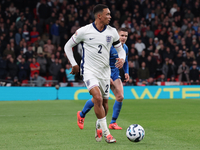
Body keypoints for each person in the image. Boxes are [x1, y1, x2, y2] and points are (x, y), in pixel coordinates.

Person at [64, 4, 126, 143]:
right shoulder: (84, 31)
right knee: (97, 98)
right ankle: (107, 134)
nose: (110, 17)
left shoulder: (112, 32)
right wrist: (74, 64)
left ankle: (99, 125)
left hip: (105, 72)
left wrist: (122, 58)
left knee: (104, 103)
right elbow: (67, 46)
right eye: (107, 14)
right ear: (99, 16)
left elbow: (120, 49)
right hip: (89, 71)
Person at [77, 28, 129, 131]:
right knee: (98, 98)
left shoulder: (125, 48)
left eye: (126, 36)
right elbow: (102, 61)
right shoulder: (109, 46)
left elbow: (125, 61)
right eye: (122, 35)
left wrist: (126, 72)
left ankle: (113, 122)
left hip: (115, 74)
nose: (123, 38)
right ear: (116, 36)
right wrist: (107, 76)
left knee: (120, 96)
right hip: (104, 73)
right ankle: (82, 114)